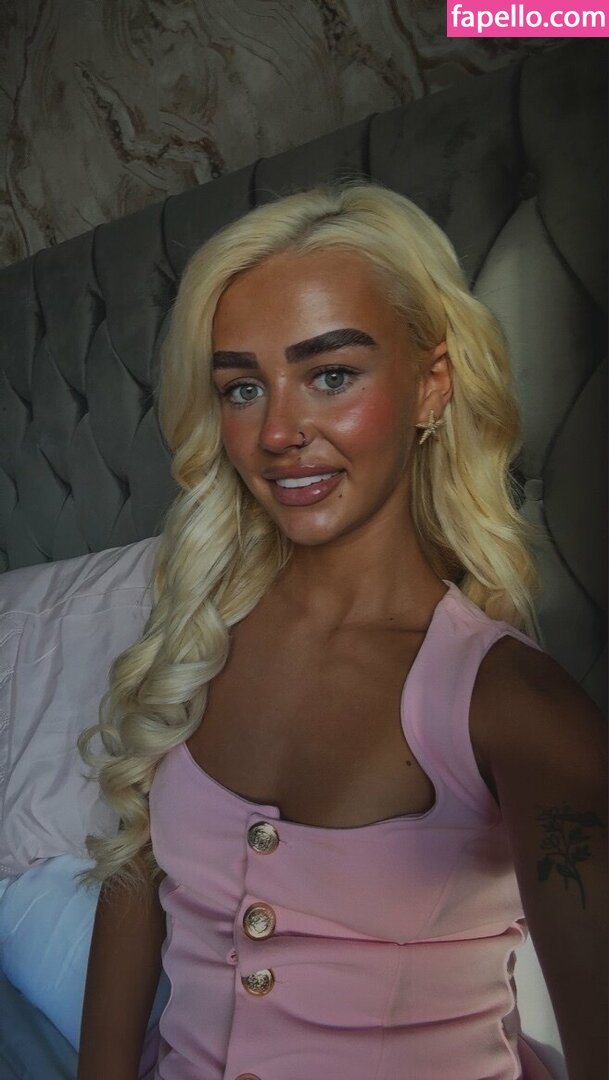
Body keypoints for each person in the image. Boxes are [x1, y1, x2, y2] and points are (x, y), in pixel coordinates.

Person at [76, 181, 607, 1080]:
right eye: (243, 388)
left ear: (431, 385)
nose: (278, 432)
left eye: (330, 375)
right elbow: (133, 884)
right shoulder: (195, 637)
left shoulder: (513, 707)